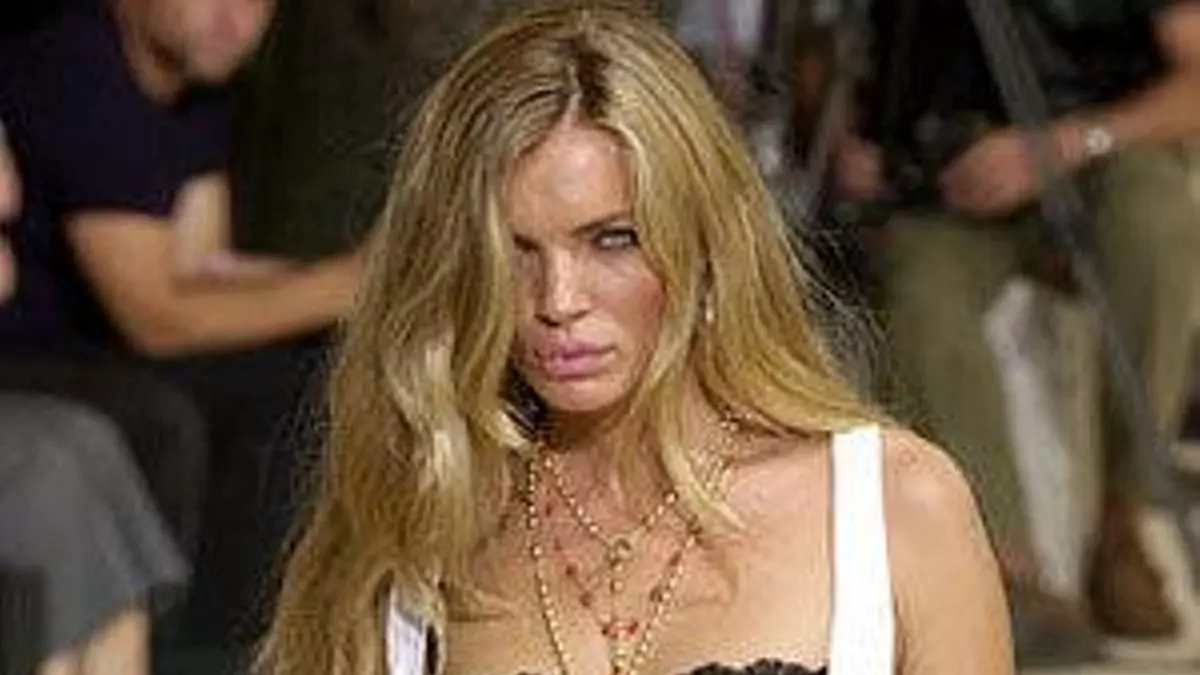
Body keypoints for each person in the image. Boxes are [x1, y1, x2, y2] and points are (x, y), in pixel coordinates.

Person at [258, 5, 1013, 675]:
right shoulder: (420, 523)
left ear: (705, 245)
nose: (559, 301)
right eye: (513, 252)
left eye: (612, 239)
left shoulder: (892, 504)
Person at [832, 0, 1200, 650]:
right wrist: (845, 137)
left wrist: (1062, 146)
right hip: (951, 178)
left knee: (1158, 226)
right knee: (919, 290)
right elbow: (835, 58)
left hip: (1098, 147)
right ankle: (1004, 566)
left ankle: (1126, 517)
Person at [0, 0, 361, 644]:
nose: (237, 20)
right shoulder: (80, 71)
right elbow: (156, 318)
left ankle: (272, 638)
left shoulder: (192, 89)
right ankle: (189, 648)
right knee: (164, 420)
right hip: (29, 355)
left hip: (98, 350)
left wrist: (355, 285)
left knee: (305, 377)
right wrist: (351, 284)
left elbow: (202, 268)